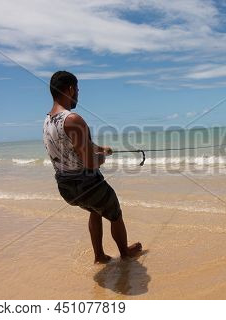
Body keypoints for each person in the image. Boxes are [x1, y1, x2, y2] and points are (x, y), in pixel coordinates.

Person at [43, 71, 142, 264]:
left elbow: (77, 145)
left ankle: (99, 256)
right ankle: (125, 253)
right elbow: (90, 162)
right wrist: (101, 159)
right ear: (70, 89)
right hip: (86, 183)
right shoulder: (72, 119)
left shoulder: (47, 120)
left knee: (95, 210)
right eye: (77, 90)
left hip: (65, 186)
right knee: (115, 213)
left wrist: (101, 149)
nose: (78, 94)